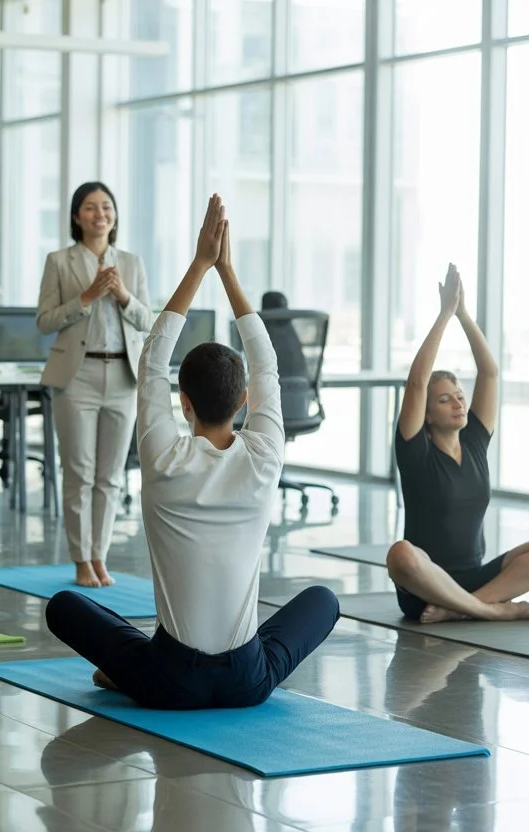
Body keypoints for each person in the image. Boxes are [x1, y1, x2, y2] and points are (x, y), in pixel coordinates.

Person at [44, 194, 340, 710]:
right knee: (324, 601)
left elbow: (153, 357)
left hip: (170, 682)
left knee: (67, 607)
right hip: (247, 681)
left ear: (182, 403)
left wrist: (201, 264)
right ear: (245, 401)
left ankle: (128, 671)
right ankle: (138, 669)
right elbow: (265, 364)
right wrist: (227, 272)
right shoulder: (264, 456)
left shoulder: (163, 458)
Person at [386, 264, 529, 623]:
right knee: (400, 555)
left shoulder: (475, 442)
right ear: (427, 415)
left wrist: (464, 314)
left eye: (459, 395)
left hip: (475, 581)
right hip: (425, 587)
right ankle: (488, 612)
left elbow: (490, 372)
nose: (458, 402)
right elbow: (418, 382)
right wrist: (444, 315)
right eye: (444, 400)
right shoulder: (415, 451)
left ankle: (464, 609)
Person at [36, 182, 153, 587]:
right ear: (76, 216)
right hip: (77, 376)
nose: (99, 213)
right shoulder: (60, 261)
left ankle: (100, 557)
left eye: (106, 207)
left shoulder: (132, 264)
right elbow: (45, 320)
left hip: (123, 376)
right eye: (90, 207)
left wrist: (122, 295)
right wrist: (84, 299)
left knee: (111, 476)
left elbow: (148, 321)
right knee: (79, 473)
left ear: (114, 215)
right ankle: (80, 560)